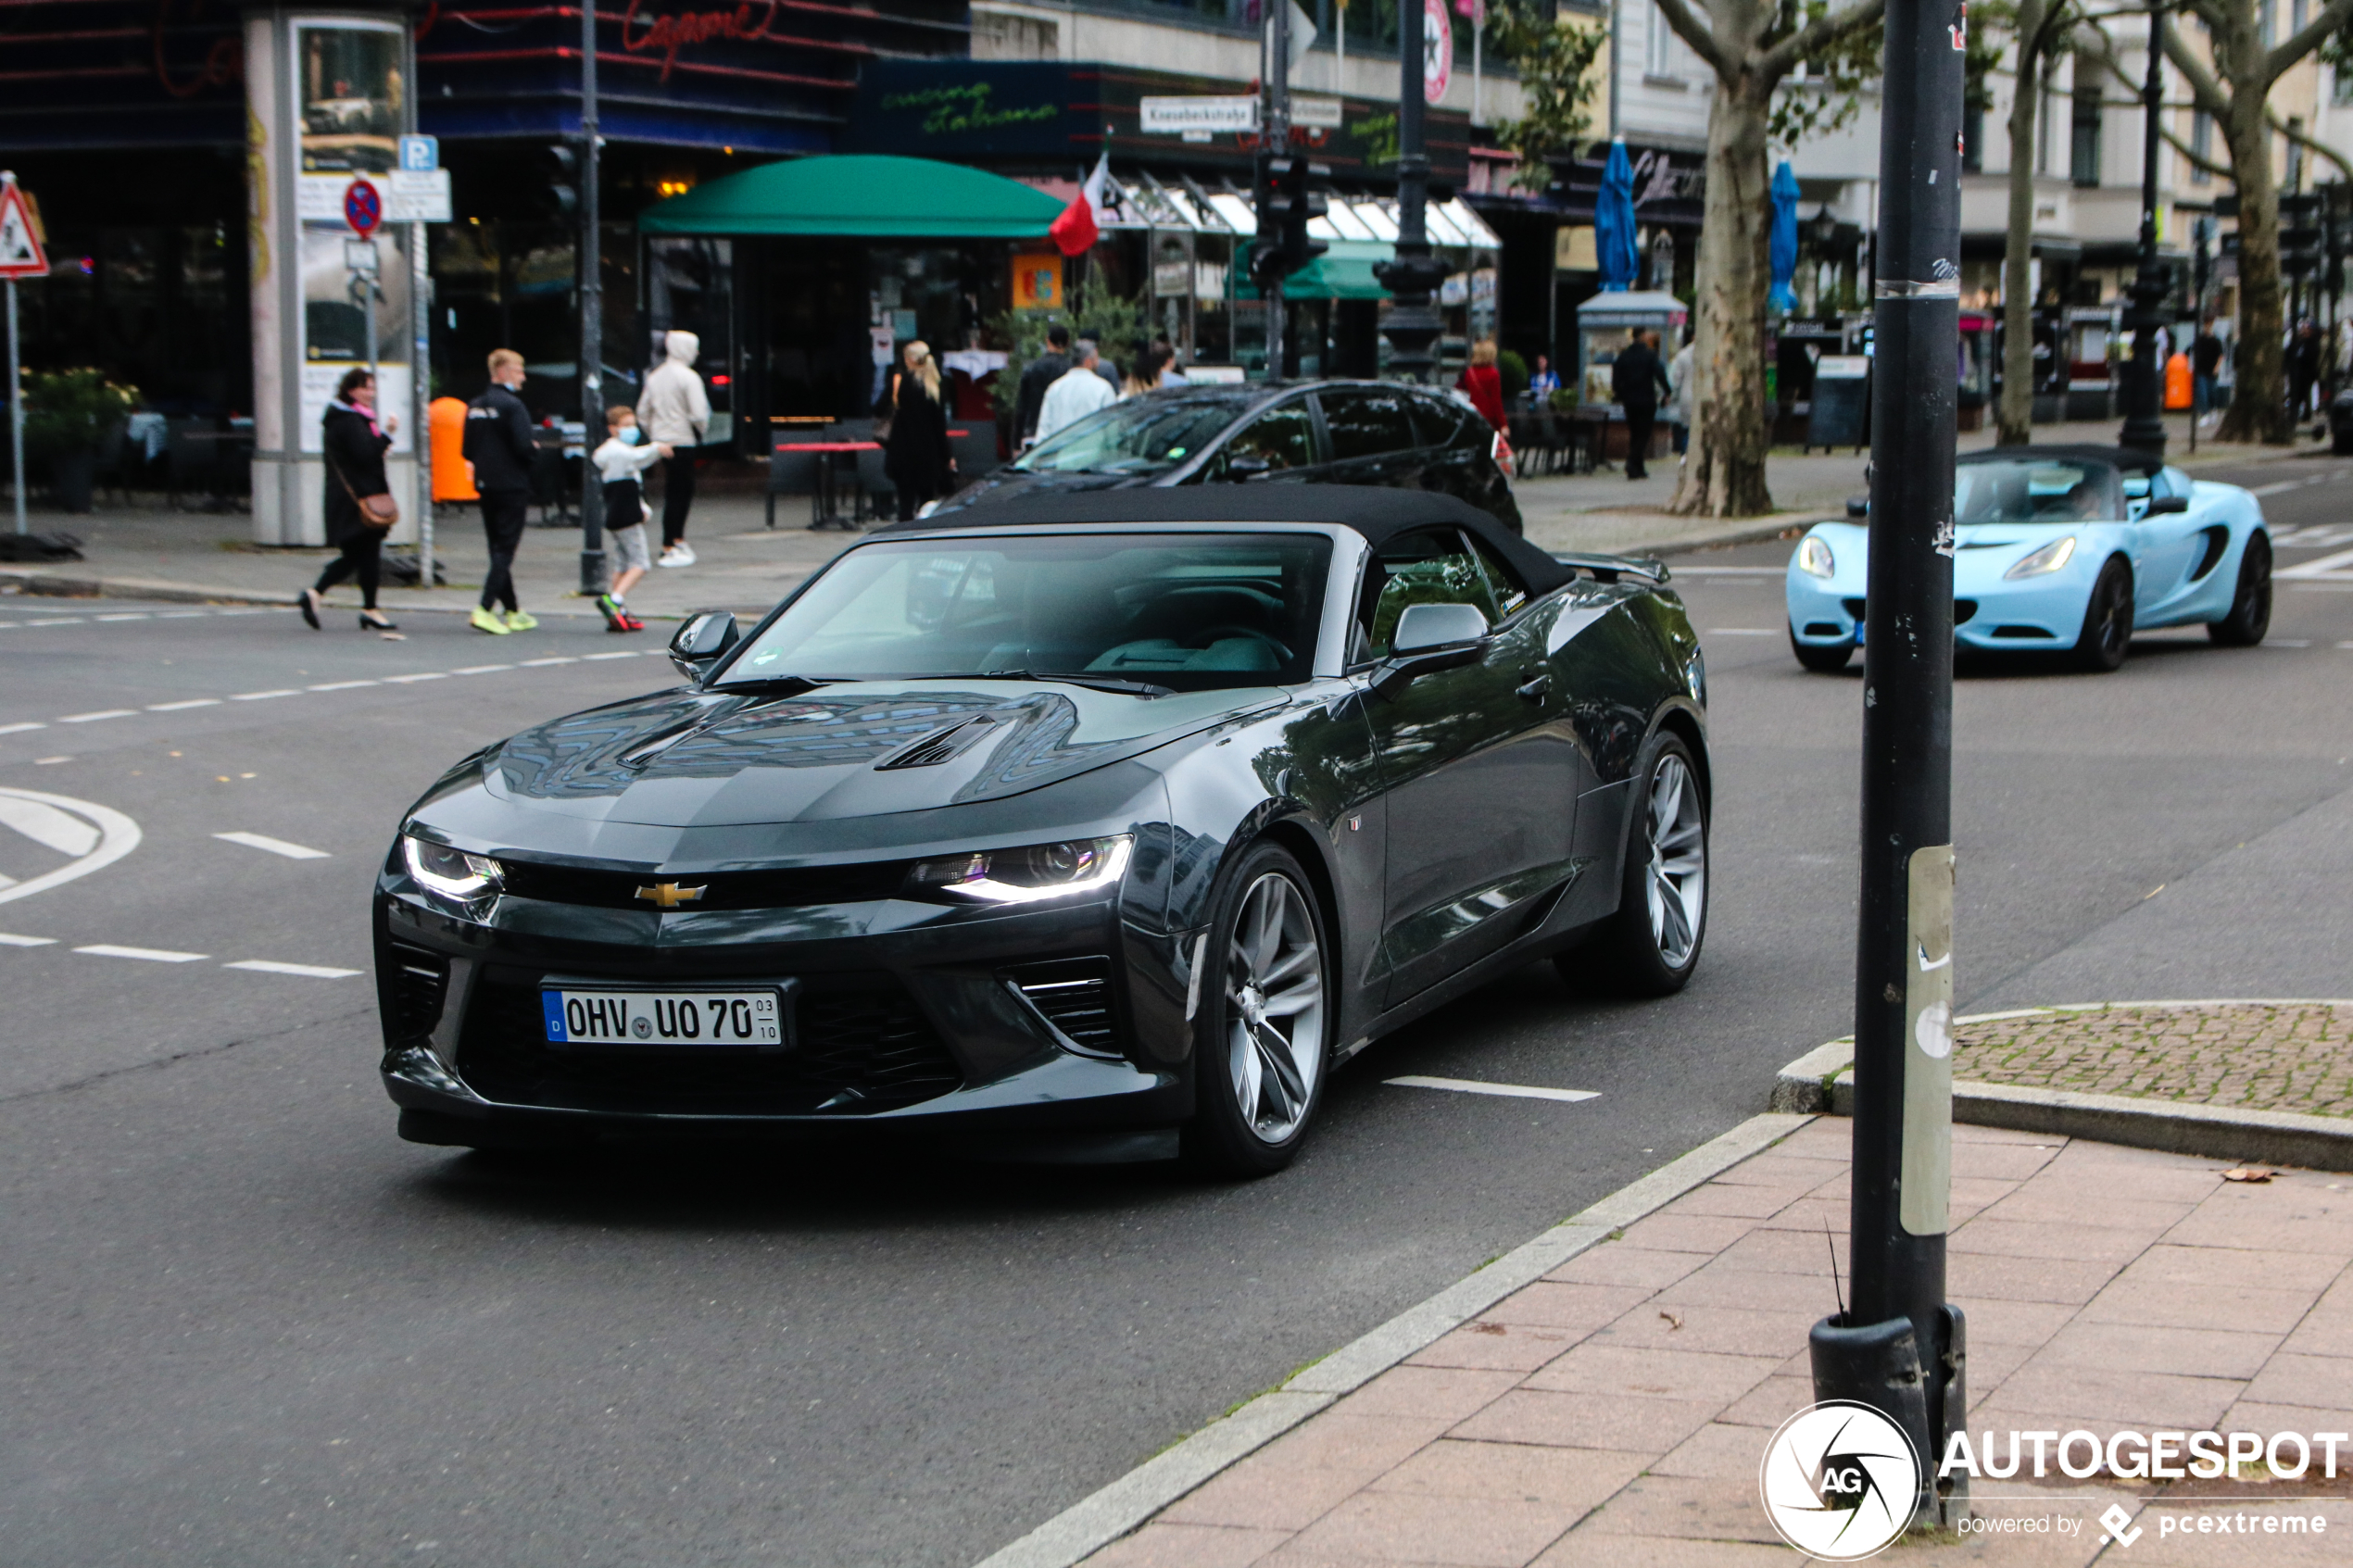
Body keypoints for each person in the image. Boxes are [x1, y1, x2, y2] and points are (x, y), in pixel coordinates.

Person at [299, 366, 399, 633]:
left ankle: (366, 608)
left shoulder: (349, 419)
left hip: (350, 496)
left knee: (364, 554)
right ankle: (324, 595)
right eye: (366, 387)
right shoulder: (349, 421)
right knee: (361, 553)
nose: (371, 393)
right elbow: (366, 455)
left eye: (373, 387)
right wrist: (388, 434)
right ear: (351, 390)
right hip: (355, 499)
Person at [461, 348, 538, 635]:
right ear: (504, 371)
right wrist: (533, 452)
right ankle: (484, 608)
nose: (523, 377)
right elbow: (523, 446)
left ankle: (513, 611)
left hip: (485, 483)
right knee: (505, 549)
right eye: (519, 370)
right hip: (512, 484)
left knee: (496, 547)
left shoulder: (475, 405)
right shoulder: (512, 405)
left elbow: (466, 449)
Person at [591, 406, 672, 632]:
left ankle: (620, 611)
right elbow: (638, 458)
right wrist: (657, 447)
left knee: (623, 563)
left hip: (617, 515)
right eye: (626, 426)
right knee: (640, 563)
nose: (631, 430)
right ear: (613, 429)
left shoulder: (610, 453)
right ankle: (614, 600)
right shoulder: (620, 453)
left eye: (633, 425)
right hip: (627, 517)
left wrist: (642, 506)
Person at [638, 329, 711, 567]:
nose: (697, 353)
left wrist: (655, 436)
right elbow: (699, 413)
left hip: (663, 440)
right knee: (682, 492)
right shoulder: (689, 377)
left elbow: (642, 412)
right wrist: (700, 430)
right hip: (683, 438)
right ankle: (673, 541)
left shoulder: (655, 376)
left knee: (673, 491)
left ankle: (672, 540)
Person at [879, 339, 955, 521]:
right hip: (927, 455)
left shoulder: (901, 383)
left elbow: (879, 407)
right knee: (926, 503)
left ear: (911, 359)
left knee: (905, 504)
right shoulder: (934, 388)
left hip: (902, 452)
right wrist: (947, 456)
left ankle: (903, 539)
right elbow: (939, 427)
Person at [1612, 329, 1672, 480]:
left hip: (1630, 401)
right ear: (1643, 337)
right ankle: (1632, 462)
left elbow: (1615, 380)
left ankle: (1638, 468)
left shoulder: (1624, 356)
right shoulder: (1650, 355)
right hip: (1646, 399)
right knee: (1644, 433)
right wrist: (1667, 391)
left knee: (1635, 433)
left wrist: (1621, 394)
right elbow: (1659, 373)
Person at [1035, 340, 1119, 443]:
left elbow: (1044, 430)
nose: (1098, 363)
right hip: (1092, 453)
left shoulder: (1054, 388)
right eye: (1096, 358)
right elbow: (1112, 431)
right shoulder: (1103, 388)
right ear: (1088, 362)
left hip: (1060, 454)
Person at [1016, 323, 1074, 447]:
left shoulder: (1033, 368)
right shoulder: (1071, 369)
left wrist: (1016, 441)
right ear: (1068, 342)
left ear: (1047, 340)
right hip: (1065, 430)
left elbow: (1022, 406)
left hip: (1035, 430)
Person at [1455, 340, 1506, 431]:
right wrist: (1503, 424)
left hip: (1473, 415)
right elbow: (1496, 401)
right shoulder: (1493, 374)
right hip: (1489, 418)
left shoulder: (1469, 373)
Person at [1666, 331, 1696, 456]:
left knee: (1687, 430)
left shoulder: (1683, 355)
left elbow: (1676, 381)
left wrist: (1673, 398)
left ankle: (1685, 457)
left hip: (1687, 397)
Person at [2288, 320, 2322, 425]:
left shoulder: (2313, 344)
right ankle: (2297, 413)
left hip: (2307, 373)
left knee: (2305, 394)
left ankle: (2305, 414)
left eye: (2307, 329)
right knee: (2299, 394)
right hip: (2298, 373)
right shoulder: (2300, 342)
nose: (2304, 331)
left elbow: (2311, 358)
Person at [2192, 320, 2223, 426]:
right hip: (2201, 370)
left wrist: (2217, 368)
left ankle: (2213, 409)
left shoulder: (2216, 341)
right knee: (2202, 393)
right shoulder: (2199, 340)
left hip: (2211, 371)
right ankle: (2204, 413)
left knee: (2212, 393)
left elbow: (2220, 355)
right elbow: (2195, 353)